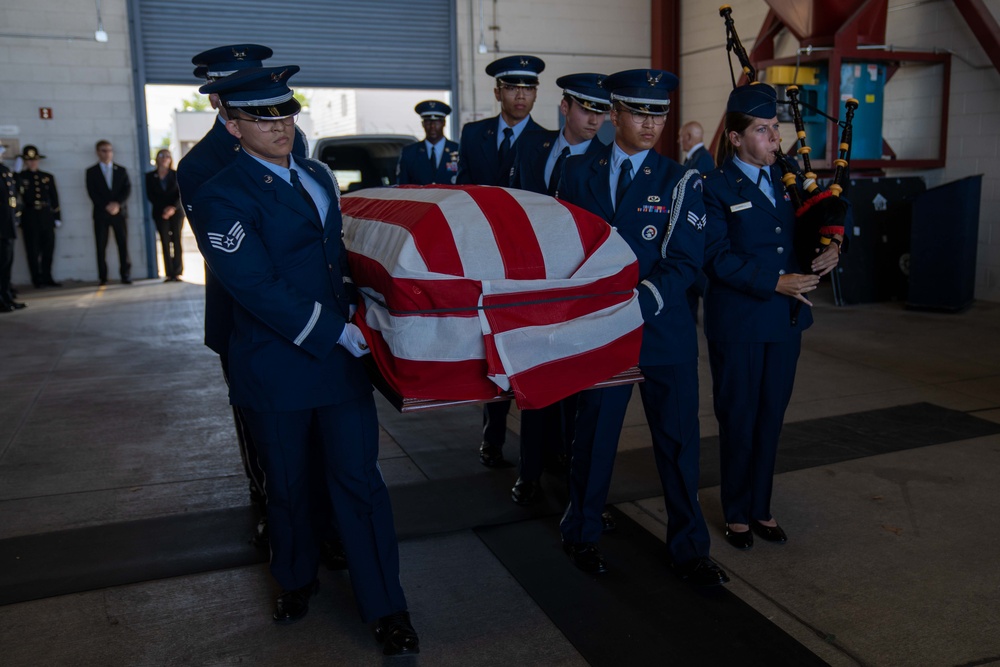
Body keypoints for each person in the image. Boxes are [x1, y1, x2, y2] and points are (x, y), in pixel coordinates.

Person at [190, 65, 418, 654]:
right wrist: (333, 331)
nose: (280, 125)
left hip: (338, 363)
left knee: (358, 481)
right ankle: (294, 579)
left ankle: (386, 605)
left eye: (286, 113)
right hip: (275, 363)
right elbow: (253, 284)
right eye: (262, 118)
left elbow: (338, 258)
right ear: (231, 123)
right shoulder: (219, 195)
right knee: (289, 485)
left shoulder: (317, 174)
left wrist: (373, 308)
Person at [556, 69, 728, 587]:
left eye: (659, 113)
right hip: (600, 333)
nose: (651, 123)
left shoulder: (679, 180)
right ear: (615, 115)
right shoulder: (576, 170)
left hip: (662, 331)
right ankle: (581, 532)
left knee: (678, 444)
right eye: (639, 112)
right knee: (594, 438)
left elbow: (683, 262)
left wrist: (634, 305)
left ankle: (689, 546)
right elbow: (564, 247)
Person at [701, 83, 843, 551]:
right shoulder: (716, 187)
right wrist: (773, 282)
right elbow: (716, 257)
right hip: (741, 321)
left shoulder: (790, 179)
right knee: (739, 415)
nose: (774, 138)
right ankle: (737, 513)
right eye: (763, 130)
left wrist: (832, 247)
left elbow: (818, 221)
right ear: (737, 138)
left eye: (775, 129)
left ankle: (761, 507)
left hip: (785, 320)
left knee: (770, 417)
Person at [177, 44, 307, 537]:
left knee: (311, 430)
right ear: (217, 100)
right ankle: (273, 515)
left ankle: (321, 522)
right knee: (263, 432)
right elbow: (233, 261)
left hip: (304, 306)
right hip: (244, 316)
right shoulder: (200, 166)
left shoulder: (294, 139)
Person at [507, 72, 613, 506]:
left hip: (581, 290)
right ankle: (529, 470)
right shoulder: (533, 147)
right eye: (587, 109)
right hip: (534, 286)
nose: (595, 120)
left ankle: (573, 472)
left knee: (579, 389)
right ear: (565, 106)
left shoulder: (608, 160)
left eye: (602, 111)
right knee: (534, 384)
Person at [455, 54, 553, 471]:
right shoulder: (474, 134)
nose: (521, 96)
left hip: (531, 264)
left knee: (529, 351)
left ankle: (536, 451)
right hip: (485, 259)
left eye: (528, 89)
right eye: (513, 88)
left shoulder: (548, 141)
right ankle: (492, 436)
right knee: (490, 348)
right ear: (498, 93)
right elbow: (460, 194)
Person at [679, 121, 714, 321]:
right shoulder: (694, 159)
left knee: (699, 280)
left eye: (681, 135)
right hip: (690, 230)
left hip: (696, 228)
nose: (678, 140)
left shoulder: (702, 160)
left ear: (689, 137)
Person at [85, 140, 131, 285]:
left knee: (122, 244)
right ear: (98, 152)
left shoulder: (121, 170)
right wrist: (106, 205)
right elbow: (92, 192)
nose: (107, 153)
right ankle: (103, 277)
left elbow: (127, 189)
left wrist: (117, 204)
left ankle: (125, 274)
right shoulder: (91, 172)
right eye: (104, 150)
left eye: (109, 150)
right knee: (100, 245)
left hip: (119, 213)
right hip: (101, 214)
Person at [16, 145, 61, 288]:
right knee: (32, 250)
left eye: (34, 160)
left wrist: (57, 215)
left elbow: (54, 198)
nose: (32, 163)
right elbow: (14, 191)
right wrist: (16, 173)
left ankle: (48, 276)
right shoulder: (21, 177)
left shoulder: (47, 177)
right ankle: (37, 279)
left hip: (46, 214)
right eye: (29, 160)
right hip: (29, 215)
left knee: (48, 248)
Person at [395, 100, 459, 185]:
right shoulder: (409, 153)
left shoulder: (458, 150)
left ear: (444, 123)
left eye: (437, 122)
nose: (432, 126)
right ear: (423, 124)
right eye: (428, 121)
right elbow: (403, 186)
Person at [145, 149, 185, 282]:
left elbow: (181, 193)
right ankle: (169, 273)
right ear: (157, 158)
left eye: (167, 156)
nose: (164, 158)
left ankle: (177, 272)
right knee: (165, 241)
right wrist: (164, 210)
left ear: (170, 159)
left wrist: (172, 208)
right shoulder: (150, 176)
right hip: (160, 213)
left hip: (176, 212)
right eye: (161, 156)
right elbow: (151, 195)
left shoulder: (176, 174)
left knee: (177, 240)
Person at [1, 145, 25, 312]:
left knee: (6, 265)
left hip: (7, 226)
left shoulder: (3, 170)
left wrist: (15, 217)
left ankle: (6, 297)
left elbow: (11, 197)